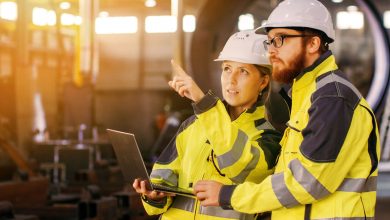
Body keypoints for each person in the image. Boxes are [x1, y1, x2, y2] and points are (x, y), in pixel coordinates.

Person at [193, 0, 381, 219]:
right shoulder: (306, 95)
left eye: (280, 39)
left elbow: (309, 181)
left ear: (312, 44)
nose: (271, 51)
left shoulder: (333, 99)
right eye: (269, 42)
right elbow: (287, 179)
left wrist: (229, 195)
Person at [133, 30, 282, 219]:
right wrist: (153, 196)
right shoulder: (192, 125)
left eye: (242, 71)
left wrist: (203, 102)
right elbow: (163, 178)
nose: (231, 79)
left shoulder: (269, 139)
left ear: (263, 82)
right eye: (227, 68)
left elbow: (240, 167)